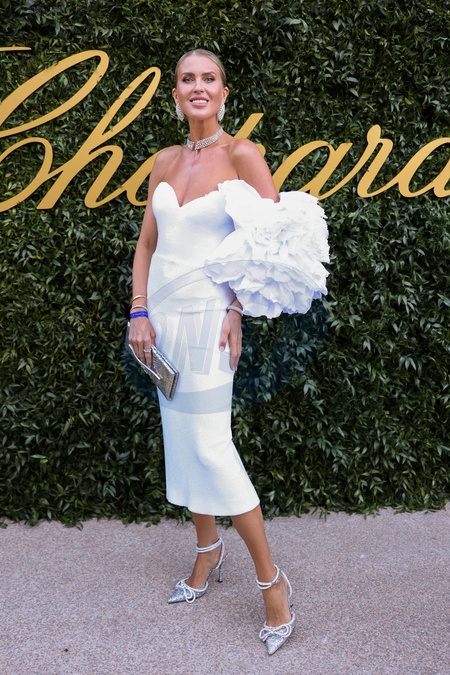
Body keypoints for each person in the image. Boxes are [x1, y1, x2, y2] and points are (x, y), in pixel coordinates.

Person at [129, 49, 328, 655]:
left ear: (223, 92)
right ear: (175, 94)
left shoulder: (243, 155)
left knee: (212, 445)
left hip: (210, 321)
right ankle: (207, 550)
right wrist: (138, 312)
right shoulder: (164, 161)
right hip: (161, 321)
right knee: (182, 441)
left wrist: (238, 308)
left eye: (208, 78)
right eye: (187, 78)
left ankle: (272, 582)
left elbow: (270, 245)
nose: (198, 86)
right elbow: (146, 246)